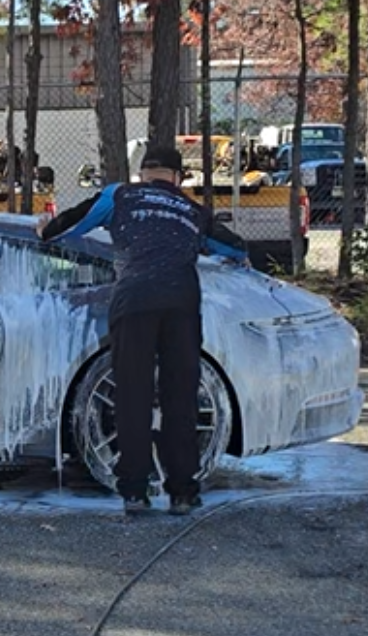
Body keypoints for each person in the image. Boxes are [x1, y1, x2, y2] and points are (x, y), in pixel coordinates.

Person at [37, 146, 248, 516]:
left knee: (132, 393)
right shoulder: (193, 210)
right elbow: (233, 248)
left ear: (143, 173)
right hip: (181, 302)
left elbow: (66, 226)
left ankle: (135, 491)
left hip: (133, 298)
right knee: (179, 396)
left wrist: (44, 229)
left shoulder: (118, 195)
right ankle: (183, 491)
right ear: (178, 177)